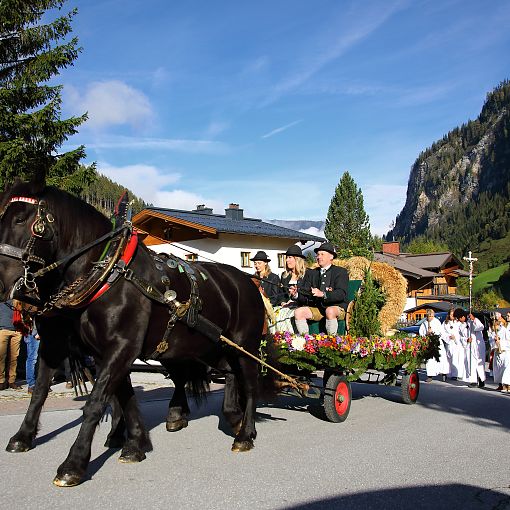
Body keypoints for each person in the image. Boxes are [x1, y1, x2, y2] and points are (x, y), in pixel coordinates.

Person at [292, 242, 348, 336]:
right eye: (318, 254)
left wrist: (323, 294)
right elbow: (306, 295)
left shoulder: (340, 272)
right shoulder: (312, 273)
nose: (318, 257)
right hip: (318, 308)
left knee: (329, 311)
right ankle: (306, 342)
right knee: (298, 312)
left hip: (337, 308)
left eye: (322, 254)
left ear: (331, 257)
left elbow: (341, 294)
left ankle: (332, 341)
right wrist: (296, 294)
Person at [269, 245, 308, 334]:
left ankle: (291, 338)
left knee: (287, 314)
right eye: (287, 258)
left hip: (301, 305)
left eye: (290, 257)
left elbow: (307, 294)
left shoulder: (307, 275)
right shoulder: (285, 276)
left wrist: (295, 299)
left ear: (297, 259)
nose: (287, 260)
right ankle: (276, 338)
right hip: (287, 305)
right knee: (274, 312)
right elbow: (282, 294)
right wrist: (283, 302)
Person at [0, 300, 23, 390]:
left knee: (14, 357)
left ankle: (11, 380)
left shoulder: (20, 304)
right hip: (3, 330)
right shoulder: (2, 304)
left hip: (17, 331)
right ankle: (1, 380)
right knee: (1, 357)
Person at [419, 309, 447, 382]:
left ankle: (443, 374)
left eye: (432, 316)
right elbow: (421, 332)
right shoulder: (424, 323)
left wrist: (433, 333)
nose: (431, 317)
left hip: (437, 342)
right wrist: (426, 334)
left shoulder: (437, 322)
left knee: (440, 358)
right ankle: (430, 375)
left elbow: (440, 332)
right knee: (429, 360)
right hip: (429, 343)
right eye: (429, 316)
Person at [463, 313, 486, 388]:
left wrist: (474, 319)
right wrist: (466, 339)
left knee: (480, 364)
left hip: (478, 347)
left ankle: (481, 379)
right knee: (471, 363)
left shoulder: (476, 322)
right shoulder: (465, 324)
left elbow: (480, 327)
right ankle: (473, 381)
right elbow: (461, 336)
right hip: (470, 346)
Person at [488, 315, 510, 392]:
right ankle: (500, 385)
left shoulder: (505, 331)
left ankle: (507, 386)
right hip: (497, 353)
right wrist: (495, 342)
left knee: (505, 370)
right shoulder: (494, 332)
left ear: (497, 324)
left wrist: (500, 342)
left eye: (494, 326)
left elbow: (509, 342)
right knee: (498, 370)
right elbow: (491, 342)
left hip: (505, 353)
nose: (493, 328)